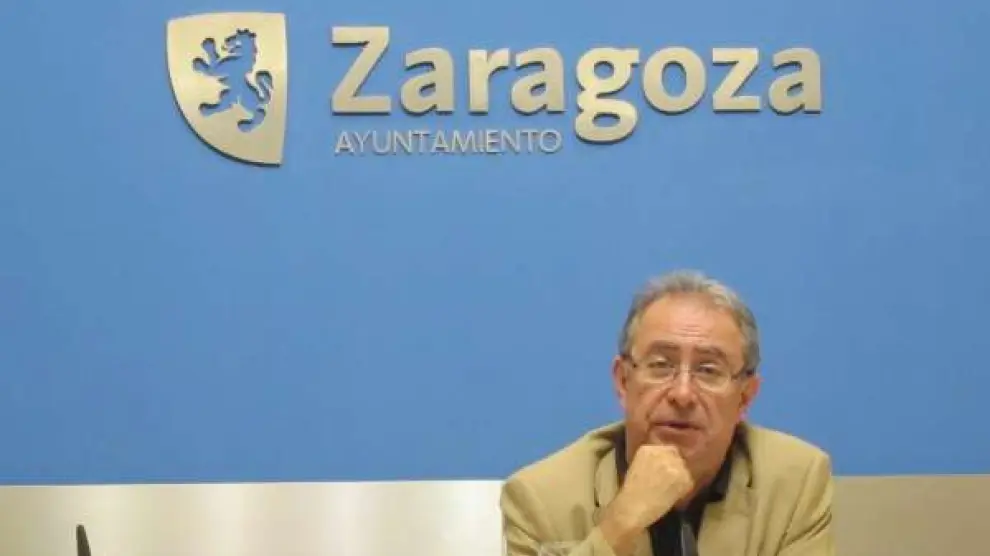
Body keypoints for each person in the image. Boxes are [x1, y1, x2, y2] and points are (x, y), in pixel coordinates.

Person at [500, 270, 835, 556]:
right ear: (623, 381)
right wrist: (618, 527)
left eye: (708, 370)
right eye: (661, 365)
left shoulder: (794, 482)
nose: (682, 394)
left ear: (745, 397)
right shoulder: (541, 498)